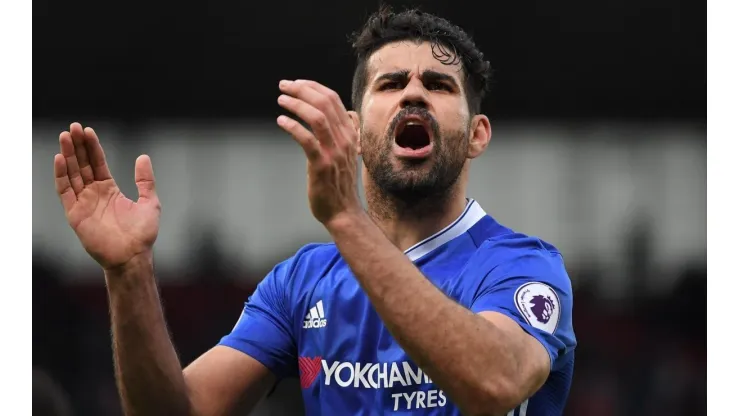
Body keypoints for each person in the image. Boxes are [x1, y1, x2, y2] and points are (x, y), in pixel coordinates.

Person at [53, 7, 576, 416]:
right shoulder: (301, 281)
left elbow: (493, 385)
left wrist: (345, 217)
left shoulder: (521, 266)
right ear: (352, 129)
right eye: (390, 83)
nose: (414, 92)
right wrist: (128, 273)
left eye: (438, 86)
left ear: (477, 135)